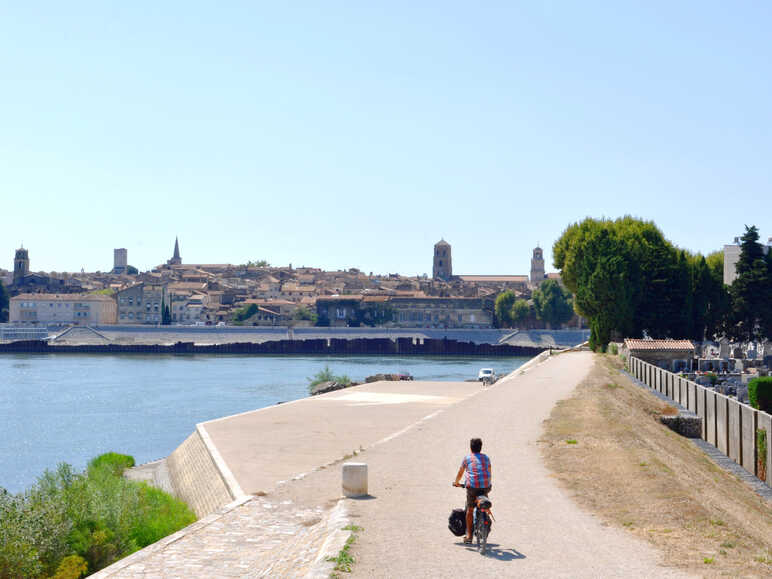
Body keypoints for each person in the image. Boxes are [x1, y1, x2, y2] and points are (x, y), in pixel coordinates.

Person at [453, 437, 492, 544]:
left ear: (471, 448)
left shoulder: (467, 458)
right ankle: (485, 513)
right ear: (481, 448)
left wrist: (456, 482)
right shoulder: (486, 458)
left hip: (472, 487)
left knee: (470, 510)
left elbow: (461, 472)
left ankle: (469, 536)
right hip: (486, 485)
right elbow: (489, 471)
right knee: (484, 500)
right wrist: (488, 483)